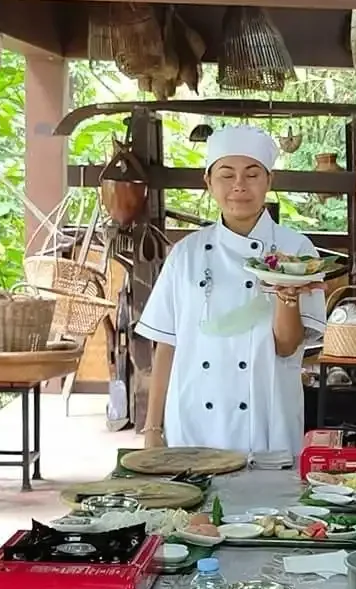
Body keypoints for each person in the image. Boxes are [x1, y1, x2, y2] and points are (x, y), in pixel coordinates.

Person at [137, 126, 326, 454]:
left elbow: (286, 347)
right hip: (194, 418)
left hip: (267, 420)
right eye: (227, 175)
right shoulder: (186, 254)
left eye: (252, 175)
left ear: (269, 181)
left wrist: (287, 295)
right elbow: (166, 345)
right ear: (208, 182)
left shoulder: (297, 251)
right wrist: (153, 428)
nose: (239, 185)